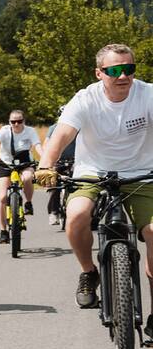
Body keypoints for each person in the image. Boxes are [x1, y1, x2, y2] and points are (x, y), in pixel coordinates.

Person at [36, 43, 153, 317]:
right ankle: (88, 272)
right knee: (76, 216)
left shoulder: (147, 94)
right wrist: (45, 164)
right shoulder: (85, 99)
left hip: (141, 173)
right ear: (99, 73)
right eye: (114, 70)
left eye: (129, 69)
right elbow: (62, 135)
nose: (123, 76)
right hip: (92, 172)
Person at [0, 110, 43, 243]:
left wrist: (44, 159)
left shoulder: (30, 131)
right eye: (13, 121)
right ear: (9, 122)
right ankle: (3, 231)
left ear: (24, 121)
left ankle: (28, 203)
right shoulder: (4, 131)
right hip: (6, 163)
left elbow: (37, 146)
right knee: (2, 197)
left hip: (25, 162)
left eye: (19, 121)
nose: (16, 124)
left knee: (27, 178)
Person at [44, 109, 77, 226]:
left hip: (74, 161)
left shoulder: (77, 127)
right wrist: (49, 161)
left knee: (79, 184)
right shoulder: (53, 128)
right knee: (54, 185)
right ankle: (53, 212)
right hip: (58, 161)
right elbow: (46, 144)